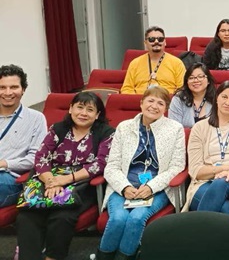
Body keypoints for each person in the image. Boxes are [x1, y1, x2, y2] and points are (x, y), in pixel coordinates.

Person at [17, 92, 113, 260]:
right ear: (70, 109)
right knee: (27, 216)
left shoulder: (106, 133)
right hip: (47, 182)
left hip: (82, 186)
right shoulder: (58, 129)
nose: (83, 113)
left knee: (62, 217)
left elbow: (100, 163)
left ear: (97, 115)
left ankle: (52, 257)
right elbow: (41, 157)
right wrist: (50, 181)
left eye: (90, 109)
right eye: (80, 107)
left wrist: (66, 180)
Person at [97, 86, 185, 260]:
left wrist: (151, 187)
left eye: (160, 103)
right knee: (118, 219)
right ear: (141, 103)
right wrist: (124, 187)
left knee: (137, 219)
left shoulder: (175, 129)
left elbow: (177, 166)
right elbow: (112, 166)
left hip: (157, 188)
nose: (154, 106)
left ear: (166, 108)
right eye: (150, 100)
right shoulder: (124, 127)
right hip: (124, 187)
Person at [183, 81, 229, 214]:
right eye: (224, 97)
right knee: (224, 208)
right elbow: (195, 170)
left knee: (221, 183)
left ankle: (193, 232)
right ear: (216, 98)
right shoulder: (199, 128)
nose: (228, 102)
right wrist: (225, 168)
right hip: (203, 184)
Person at [0, 64, 46, 208]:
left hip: (12, 179)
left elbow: (36, 159)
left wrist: (4, 163)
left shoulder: (36, 118)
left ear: (23, 89)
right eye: (2, 87)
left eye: (14, 87)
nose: (8, 93)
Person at [121, 26, 186, 94]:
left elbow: (182, 89)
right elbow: (126, 89)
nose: (156, 41)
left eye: (160, 39)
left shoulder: (177, 63)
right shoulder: (135, 63)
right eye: (152, 39)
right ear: (145, 43)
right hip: (140, 102)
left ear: (165, 42)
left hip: (167, 102)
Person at [168, 62, 216, 128]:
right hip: (183, 138)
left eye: (200, 77)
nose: (196, 80)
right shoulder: (178, 99)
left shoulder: (217, 100)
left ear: (208, 81)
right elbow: (174, 128)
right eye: (191, 78)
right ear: (187, 82)